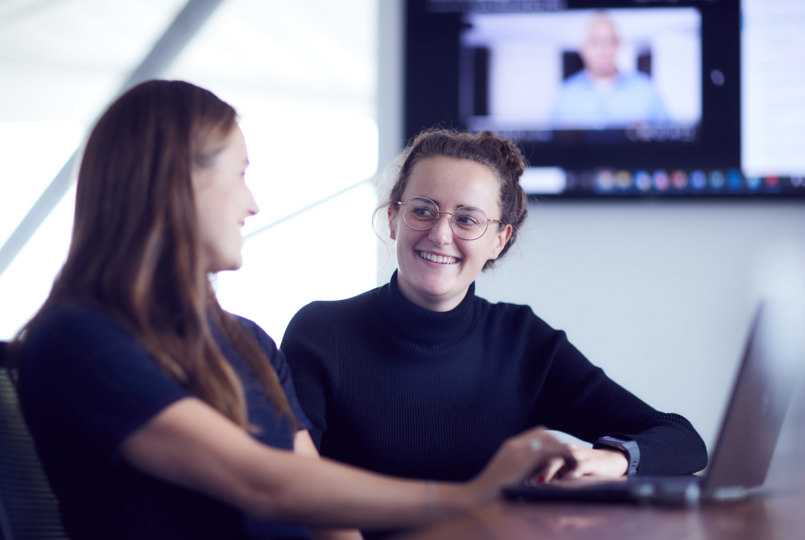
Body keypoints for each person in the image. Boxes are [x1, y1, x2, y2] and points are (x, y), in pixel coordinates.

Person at [8, 80, 577, 540]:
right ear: (177, 182)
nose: (252, 204)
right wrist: (474, 495)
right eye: (239, 174)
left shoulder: (247, 343)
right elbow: (266, 485)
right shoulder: (79, 339)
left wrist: (503, 518)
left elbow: (314, 496)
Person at [281, 127, 708, 537]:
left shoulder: (523, 341)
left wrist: (609, 459)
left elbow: (682, 439)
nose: (441, 233)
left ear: (499, 240)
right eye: (423, 210)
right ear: (393, 218)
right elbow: (298, 488)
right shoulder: (321, 334)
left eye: (467, 220)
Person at [549, 10, 670, 128]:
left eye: (609, 41)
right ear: (583, 48)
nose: (603, 49)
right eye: (595, 41)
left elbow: (672, 141)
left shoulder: (646, 90)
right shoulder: (565, 95)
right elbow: (548, 144)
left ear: (618, 45)